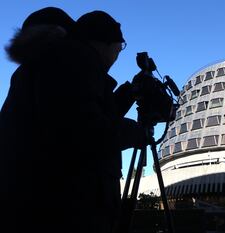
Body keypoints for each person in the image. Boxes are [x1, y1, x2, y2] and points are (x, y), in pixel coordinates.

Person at [0, 9, 142, 233]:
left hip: (32, 204)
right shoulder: (72, 59)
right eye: (119, 46)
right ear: (105, 42)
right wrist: (137, 131)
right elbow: (86, 133)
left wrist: (126, 95)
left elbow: (72, 114)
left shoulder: (37, 68)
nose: (118, 54)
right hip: (69, 208)